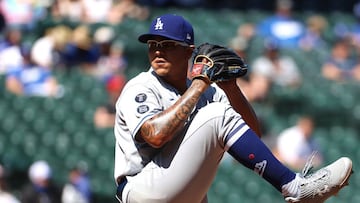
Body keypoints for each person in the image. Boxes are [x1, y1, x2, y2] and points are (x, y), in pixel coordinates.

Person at [113, 13, 353, 203]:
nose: (157, 50)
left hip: (182, 193)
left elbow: (251, 135)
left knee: (219, 112)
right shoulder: (141, 87)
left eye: (167, 44)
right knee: (216, 113)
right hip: (142, 189)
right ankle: (294, 187)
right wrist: (199, 85)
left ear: (188, 51)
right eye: (152, 44)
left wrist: (230, 88)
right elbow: (155, 136)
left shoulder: (207, 90)